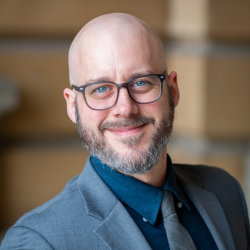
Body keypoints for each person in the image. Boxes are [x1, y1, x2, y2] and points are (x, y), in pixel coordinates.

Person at [1, 13, 249, 250]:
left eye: (141, 82)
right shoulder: (39, 241)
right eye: (100, 89)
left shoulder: (225, 191)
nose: (125, 108)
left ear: (172, 90)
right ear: (73, 106)